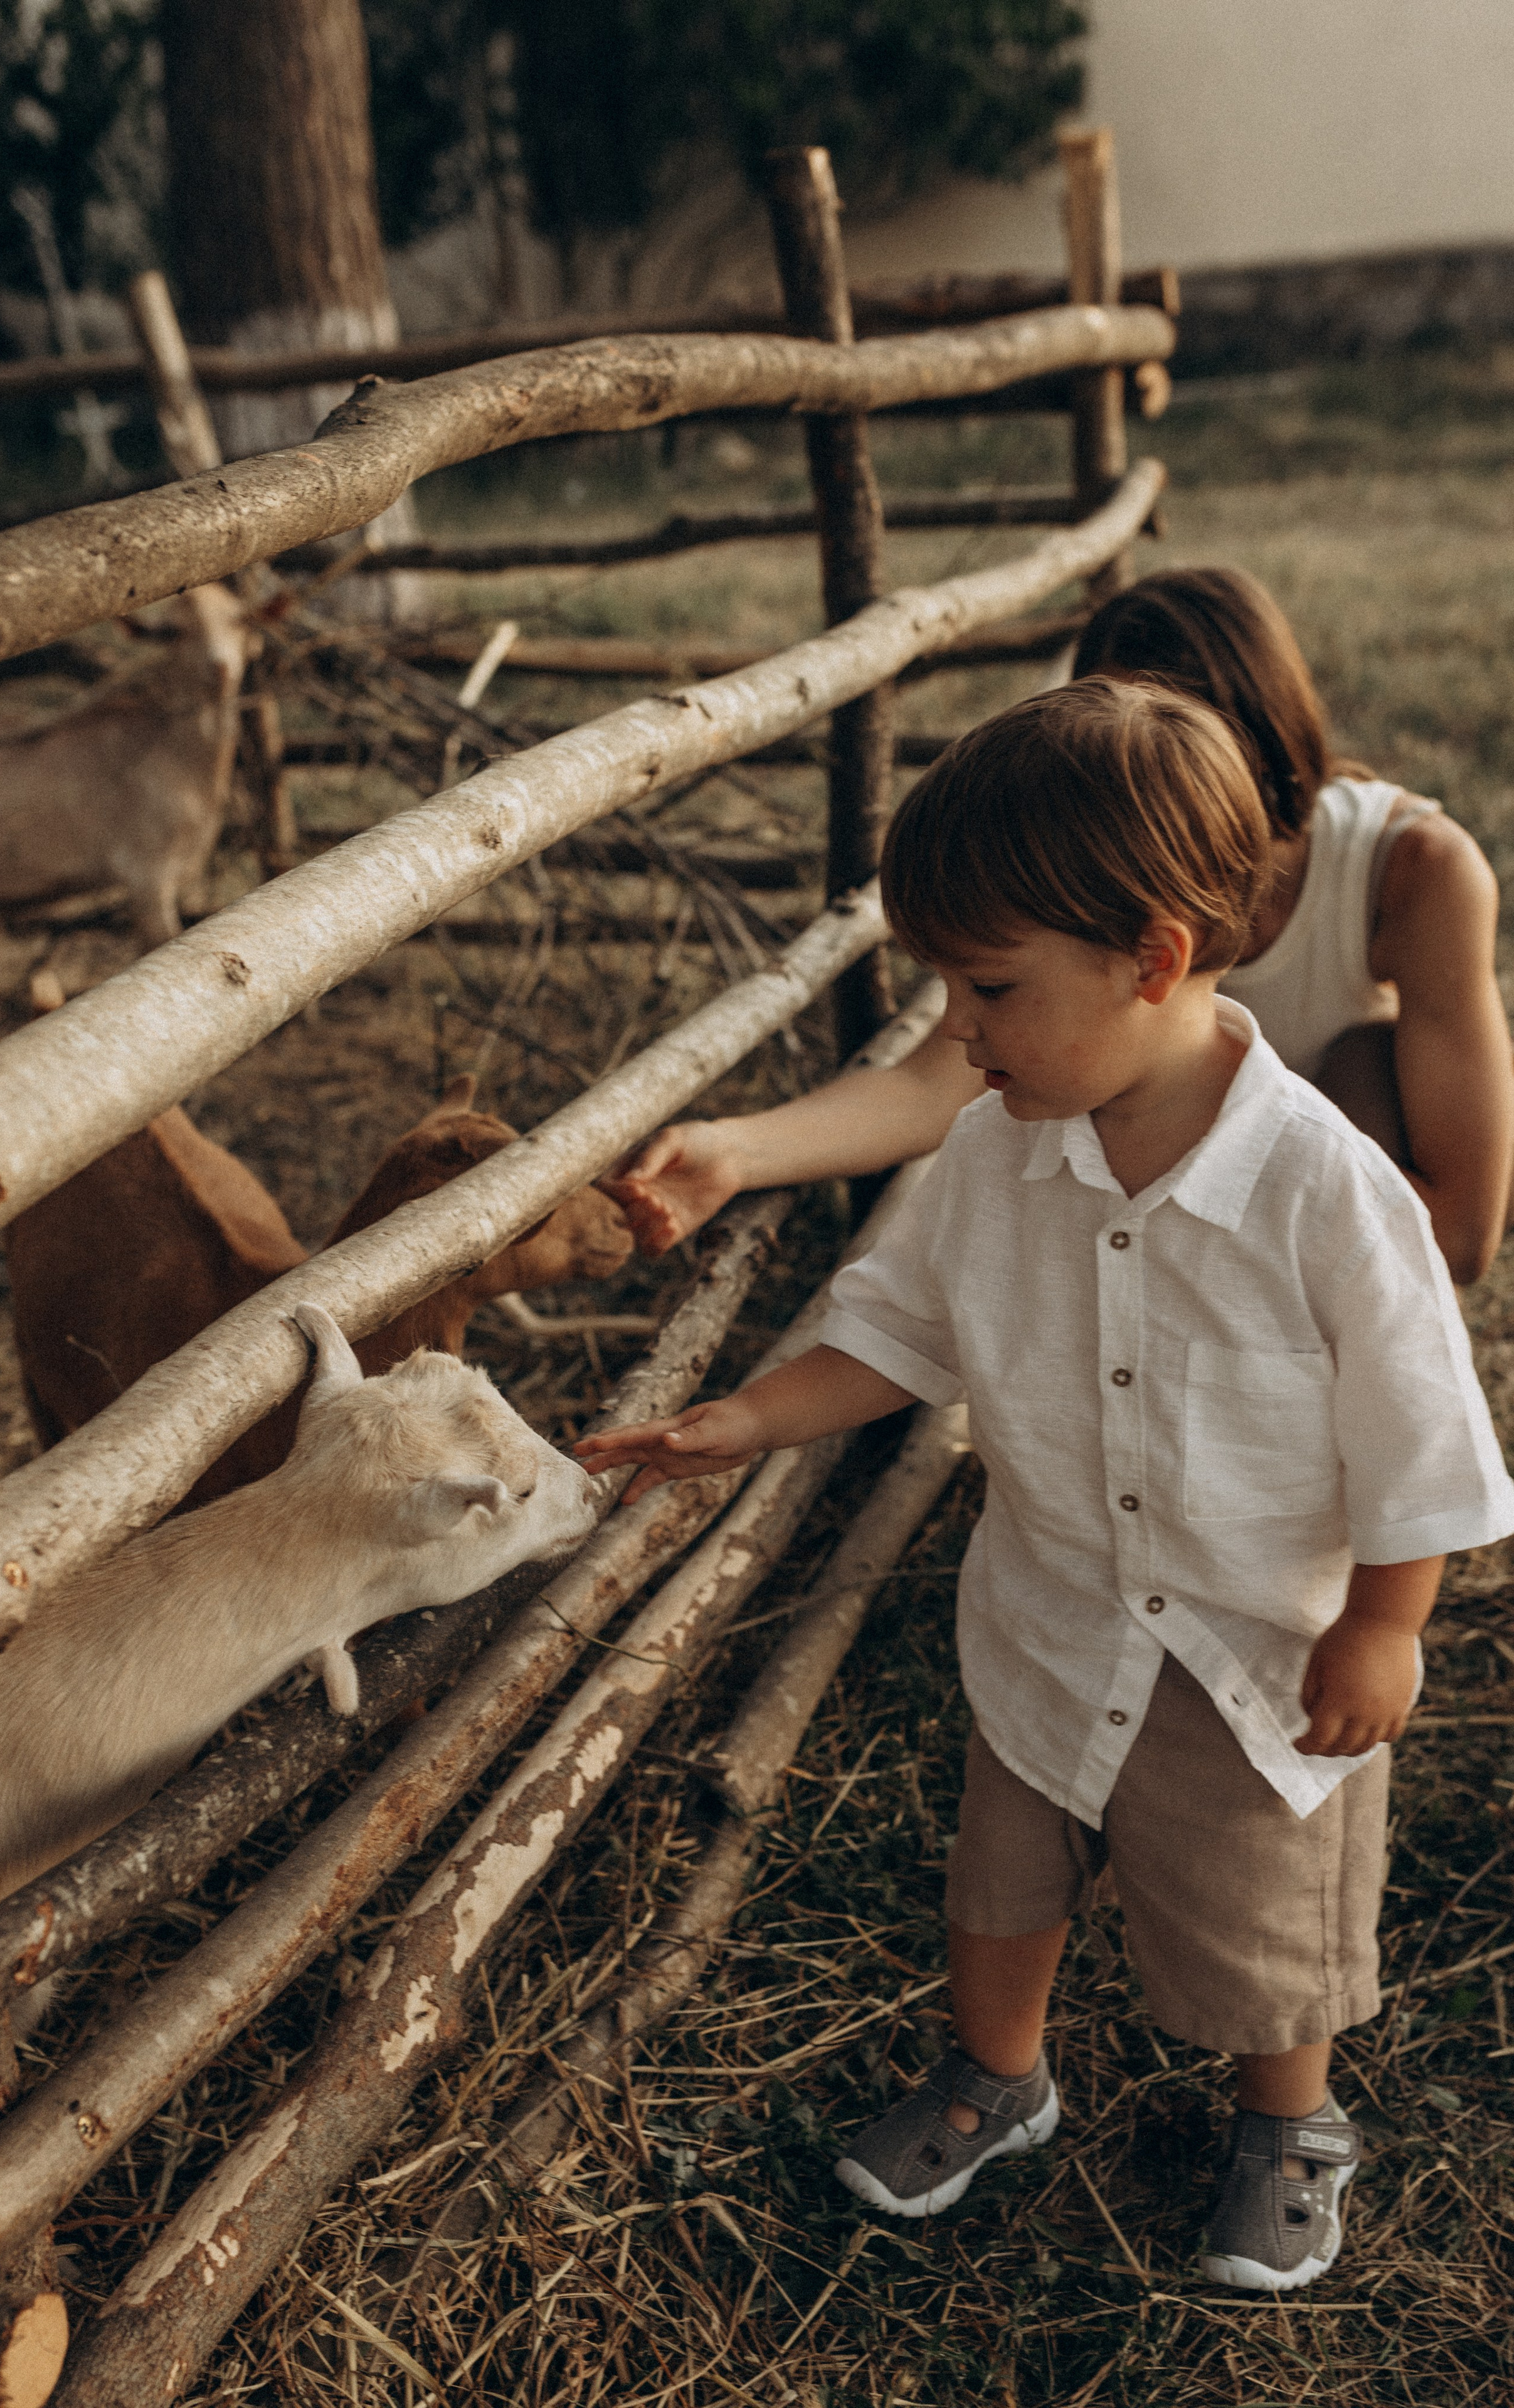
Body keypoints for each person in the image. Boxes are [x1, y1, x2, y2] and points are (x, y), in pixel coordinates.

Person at [578, 680, 1514, 2289]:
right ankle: (996, 2076)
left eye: (990, 988)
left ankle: (1287, 2120)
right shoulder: (998, 1150)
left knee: (1256, 1928)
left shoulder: (1323, 1194)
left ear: (1149, 962)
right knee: (1001, 1876)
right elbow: (905, 1331)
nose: (961, 1032)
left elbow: (1420, 1435)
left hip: (1248, 1660)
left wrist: (1382, 1625)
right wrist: (750, 1417)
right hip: (1049, 1619)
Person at [611, 568, 1513, 1285]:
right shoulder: (1085, 875)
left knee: (1363, 1052)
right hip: (1139, 1201)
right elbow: (931, 1087)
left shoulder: (1417, 872)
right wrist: (735, 1152)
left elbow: (1465, 1235)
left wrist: (1212, 1239)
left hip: (1311, 1224)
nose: (1136, 796)